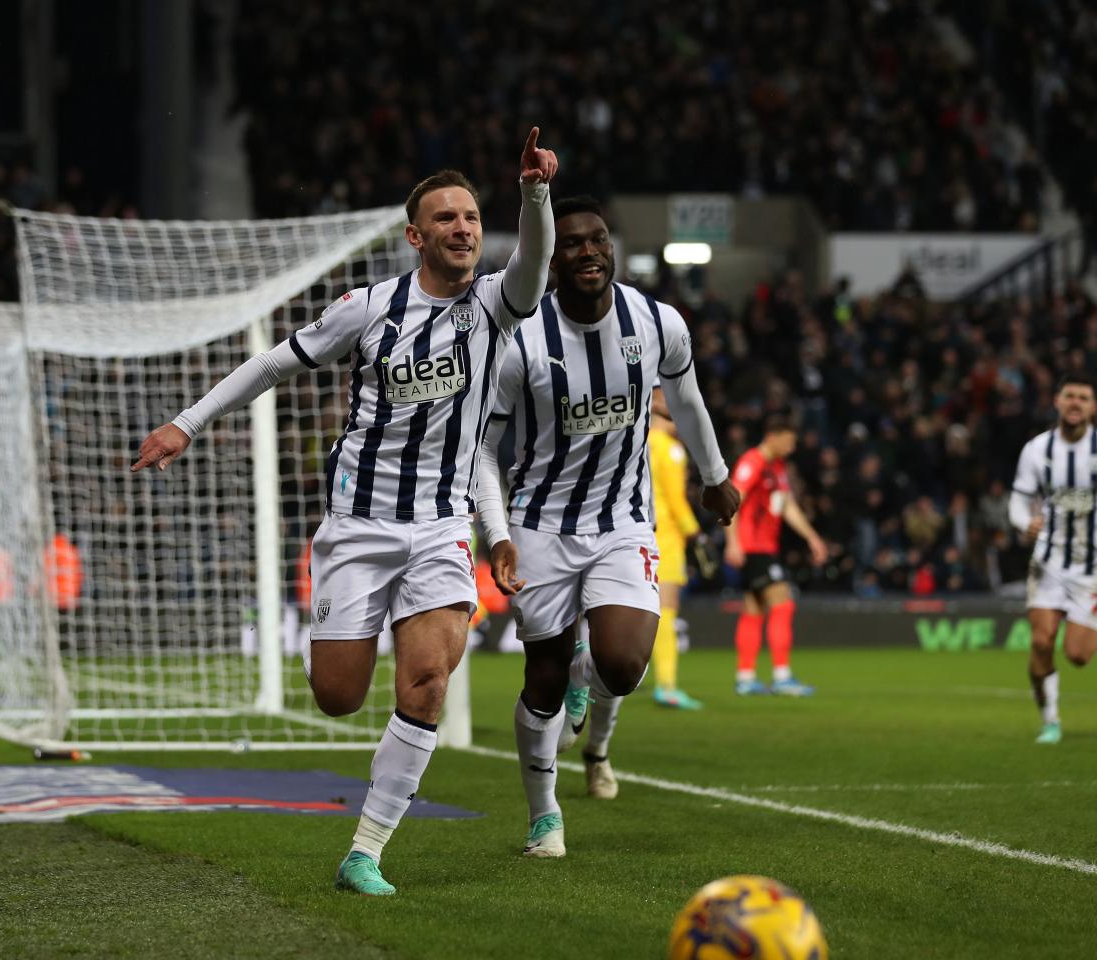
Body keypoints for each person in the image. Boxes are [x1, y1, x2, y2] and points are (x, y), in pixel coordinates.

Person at [132, 129, 559, 895]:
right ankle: (333, 650)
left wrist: (534, 193)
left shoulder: (498, 304)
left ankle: (366, 850)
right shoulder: (368, 309)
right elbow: (272, 363)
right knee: (338, 697)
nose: (463, 227)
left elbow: (533, 264)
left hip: (438, 529)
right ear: (415, 235)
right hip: (357, 530)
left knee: (427, 680)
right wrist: (186, 424)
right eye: (447, 218)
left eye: (470, 216)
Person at [477, 196, 738, 857]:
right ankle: (544, 816)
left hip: (624, 520)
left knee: (622, 666)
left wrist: (715, 475)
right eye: (573, 244)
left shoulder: (656, 322)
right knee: (541, 677)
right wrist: (497, 531)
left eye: (598, 240)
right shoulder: (520, 339)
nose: (589, 251)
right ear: (551, 259)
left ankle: (587, 679)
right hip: (539, 526)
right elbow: (480, 446)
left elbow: (688, 400)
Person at [1009, 374, 1097, 744]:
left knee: (1078, 655)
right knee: (1042, 643)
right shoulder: (1036, 450)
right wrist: (1023, 522)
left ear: (1093, 407)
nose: (1076, 403)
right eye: (1070, 396)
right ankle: (1050, 720)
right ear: (1057, 402)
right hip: (1047, 564)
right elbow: (1017, 499)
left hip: (1091, 569)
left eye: (1084, 398)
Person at [724, 414, 827, 696]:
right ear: (773, 436)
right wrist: (732, 543)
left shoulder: (776, 466)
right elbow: (731, 501)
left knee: (754, 610)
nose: (792, 448)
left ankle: (745, 677)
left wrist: (812, 537)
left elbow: (788, 506)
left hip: (764, 547)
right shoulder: (752, 462)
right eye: (789, 441)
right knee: (783, 603)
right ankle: (782, 677)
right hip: (752, 547)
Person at [647, 389, 706, 709]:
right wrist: (697, 535)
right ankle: (667, 685)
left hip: (634, 534)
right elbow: (676, 500)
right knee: (666, 610)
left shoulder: (637, 441)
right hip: (665, 539)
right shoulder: (670, 449)